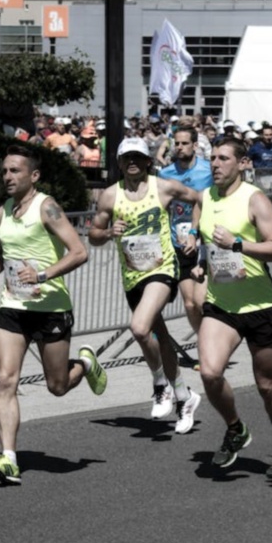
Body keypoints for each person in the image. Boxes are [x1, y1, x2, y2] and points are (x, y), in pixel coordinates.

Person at [0, 144, 107, 485]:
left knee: (57, 386)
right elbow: (5, 250)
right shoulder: (3, 212)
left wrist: (42, 275)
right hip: (13, 306)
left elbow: (79, 252)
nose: (7, 177)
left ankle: (85, 364)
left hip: (50, 307)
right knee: (6, 379)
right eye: (4, 171)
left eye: (15, 171)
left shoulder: (48, 208)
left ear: (34, 175)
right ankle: (9, 458)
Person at [89, 136, 203, 434]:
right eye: (128, 158)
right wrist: (109, 232)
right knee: (159, 334)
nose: (133, 162)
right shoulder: (110, 196)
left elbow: (201, 199)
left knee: (140, 328)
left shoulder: (163, 187)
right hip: (132, 276)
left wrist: (193, 233)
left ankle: (160, 384)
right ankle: (184, 395)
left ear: (148, 161)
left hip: (162, 268)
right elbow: (93, 234)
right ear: (119, 163)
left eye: (138, 157)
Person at [190, 137, 272, 473]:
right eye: (213, 158)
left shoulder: (254, 200)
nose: (216, 164)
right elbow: (204, 238)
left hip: (259, 305)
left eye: (224, 158)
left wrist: (238, 245)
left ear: (243, 163)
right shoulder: (205, 197)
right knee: (211, 372)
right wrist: (201, 258)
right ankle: (235, 427)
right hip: (221, 304)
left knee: (267, 386)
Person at [159, 124, 215, 338]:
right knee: (190, 304)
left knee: (202, 301)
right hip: (179, 242)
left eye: (184, 143)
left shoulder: (207, 170)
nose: (180, 147)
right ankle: (205, 344)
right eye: (177, 143)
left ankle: (214, 342)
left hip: (204, 242)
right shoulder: (165, 173)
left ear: (194, 145)